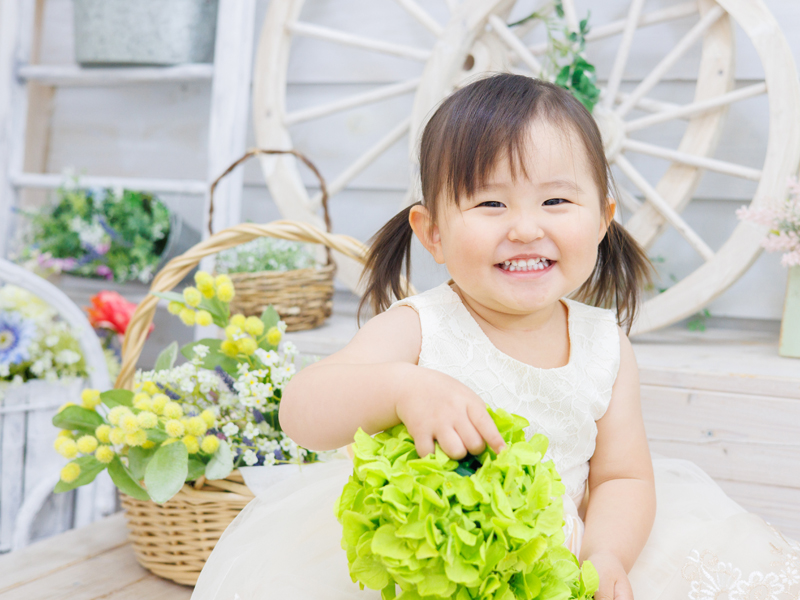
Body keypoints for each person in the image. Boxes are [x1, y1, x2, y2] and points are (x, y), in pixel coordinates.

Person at [191, 74, 799, 600]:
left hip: (554, 567)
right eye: (490, 203)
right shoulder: (420, 327)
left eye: (556, 200)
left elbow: (623, 477)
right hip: (427, 571)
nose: (526, 227)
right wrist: (402, 388)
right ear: (431, 233)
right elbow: (301, 410)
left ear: (604, 220)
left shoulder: (603, 346)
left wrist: (605, 555)